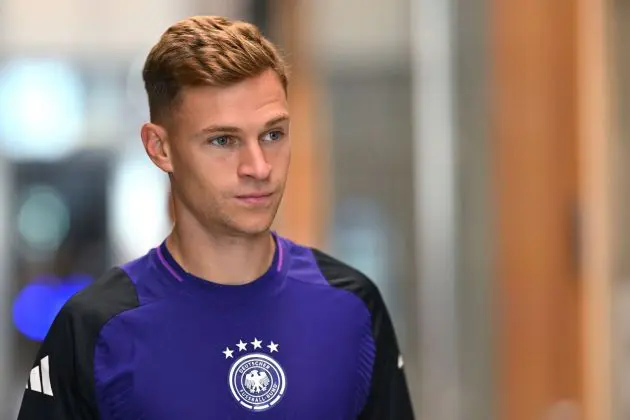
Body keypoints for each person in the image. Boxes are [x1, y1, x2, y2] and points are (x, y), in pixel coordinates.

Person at [16, 15, 415, 419]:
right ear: (160, 148)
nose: (258, 167)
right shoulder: (94, 327)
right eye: (224, 140)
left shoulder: (352, 305)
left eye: (273, 135)